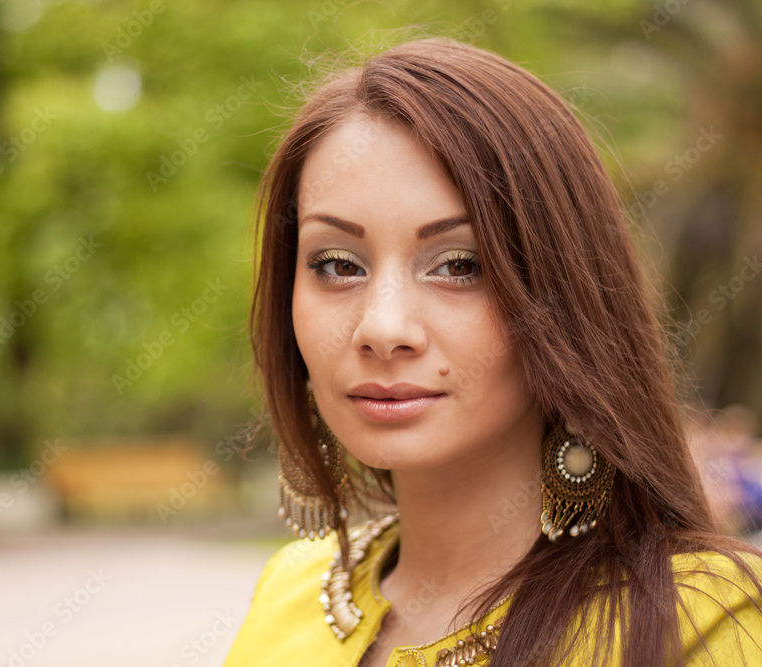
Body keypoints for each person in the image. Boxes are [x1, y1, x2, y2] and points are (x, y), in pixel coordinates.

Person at [224, 37, 762, 666]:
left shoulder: (702, 622)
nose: (382, 326)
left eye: (459, 265)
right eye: (337, 264)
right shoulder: (287, 593)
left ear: (564, 299)